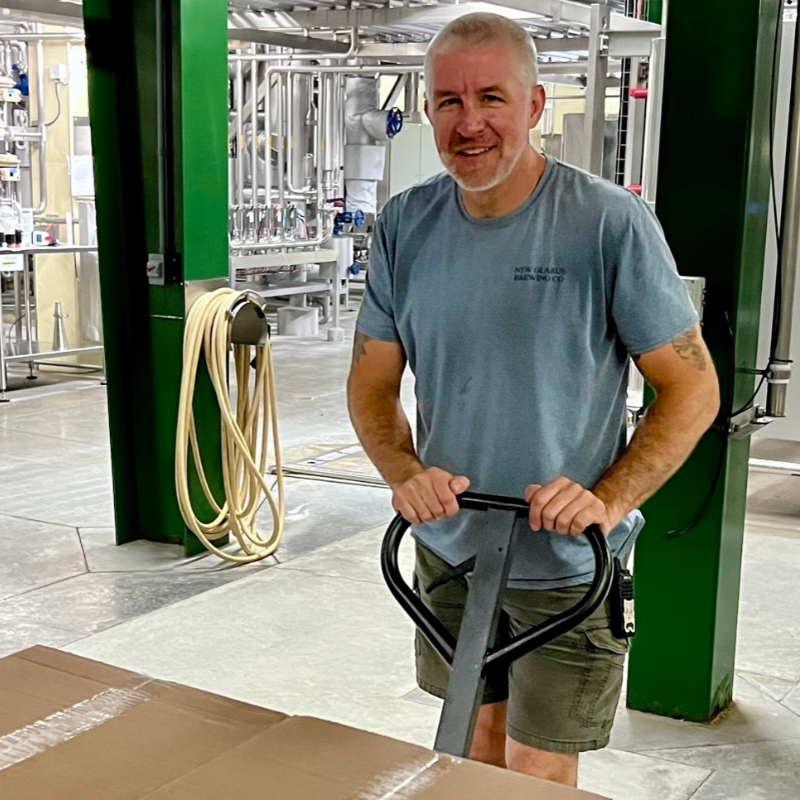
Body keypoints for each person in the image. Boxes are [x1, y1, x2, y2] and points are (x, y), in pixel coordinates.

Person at [346, 12, 720, 789]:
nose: (469, 121)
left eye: (491, 97)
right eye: (449, 101)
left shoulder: (608, 224)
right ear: (426, 109)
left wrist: (606, 501)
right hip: (450, 544)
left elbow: (692, 389)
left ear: (536, 105)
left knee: (536, 765)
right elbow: (373, 383)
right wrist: (402, 470)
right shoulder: (403, 227)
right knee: (470, 743)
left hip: (564, 561)